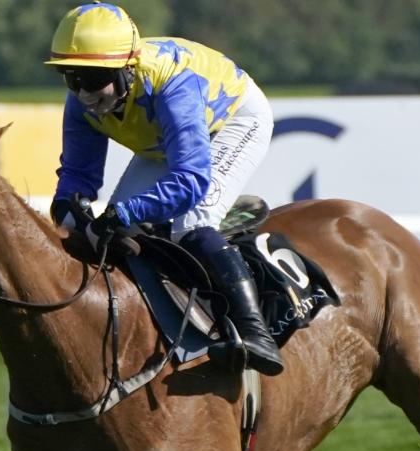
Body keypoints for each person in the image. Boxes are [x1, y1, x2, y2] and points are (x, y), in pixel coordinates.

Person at [46, 2, 283, 377]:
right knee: (116, 232)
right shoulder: (81, 102)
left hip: (231, 121)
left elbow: (189, 180)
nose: (84, 93)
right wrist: (67, 210)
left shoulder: (174, 86)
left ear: (127, 68)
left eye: (92, 79)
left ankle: (255, 331)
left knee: (192, 221)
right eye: (71, 78)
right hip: (163, 142)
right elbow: (77, 174)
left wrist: (126, 212)